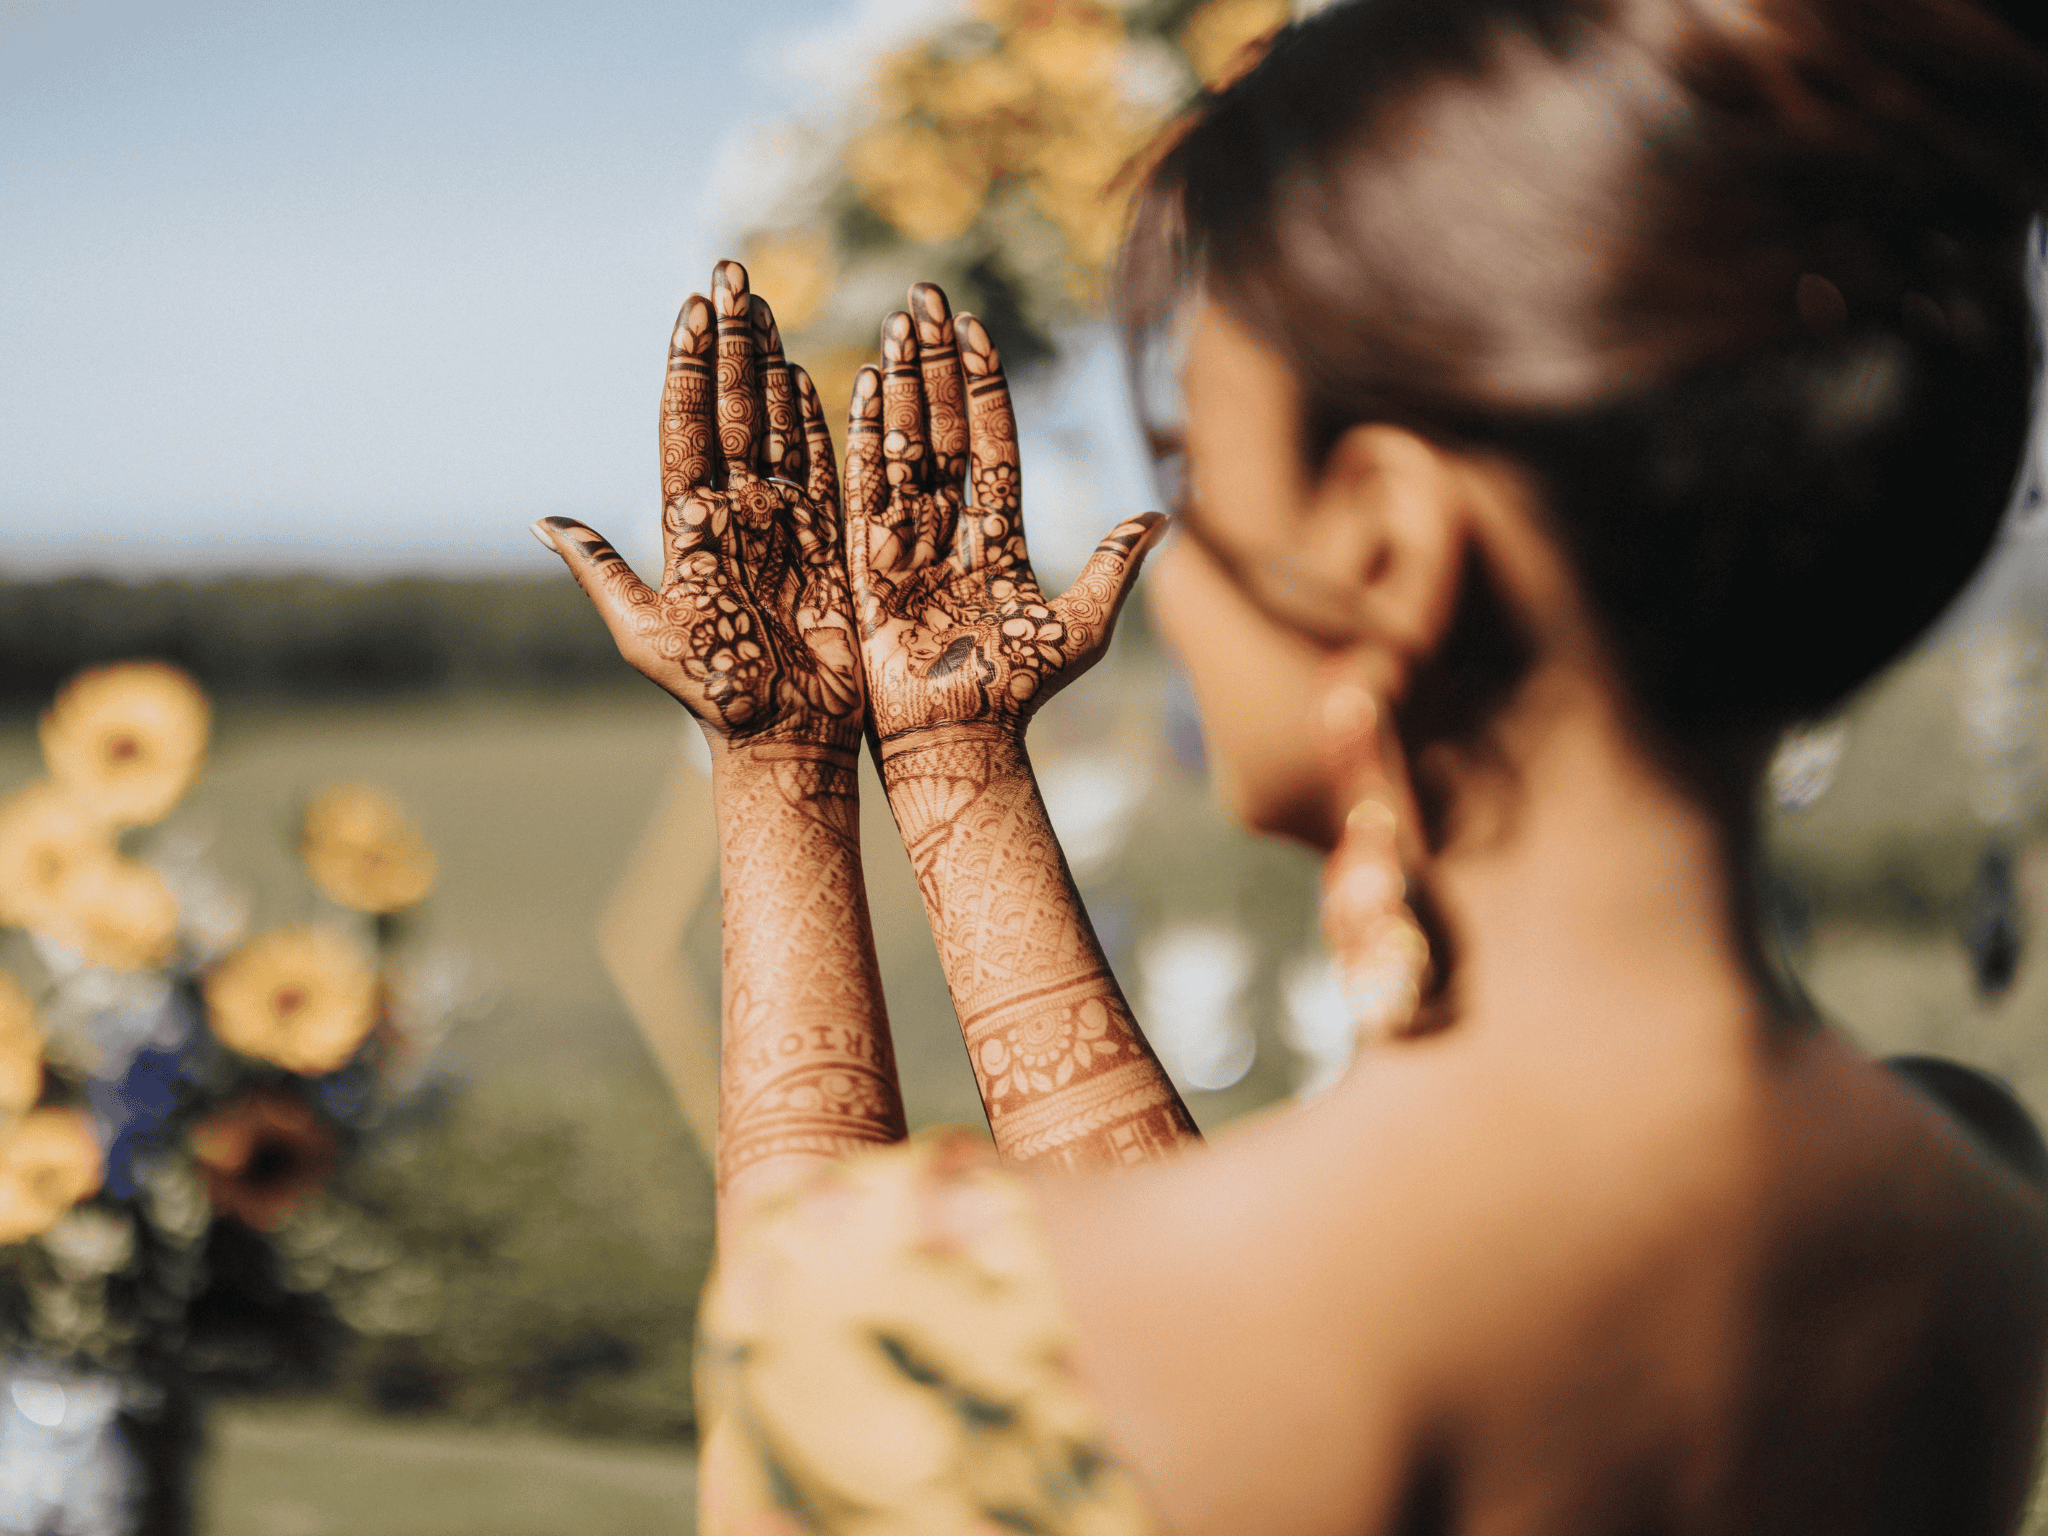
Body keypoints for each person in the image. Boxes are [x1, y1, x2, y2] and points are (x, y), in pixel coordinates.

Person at [530, 0, 2048, 1528]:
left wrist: (787, 769)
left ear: (1385, 546)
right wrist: (949, 755)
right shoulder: (1973, 1202)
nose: (1173, 561)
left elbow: (853, 1347)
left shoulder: (931, 1325)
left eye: (1189, 465)